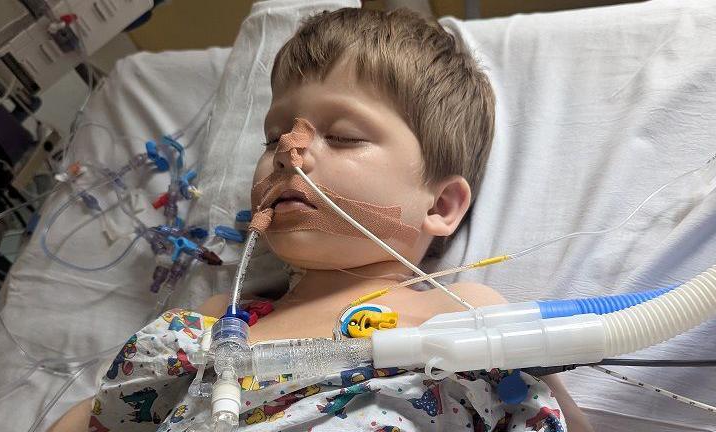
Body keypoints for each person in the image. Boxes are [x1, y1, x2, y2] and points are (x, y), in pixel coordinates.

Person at [50, 7, 593, 432]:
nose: (291, 151)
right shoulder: (223, 321)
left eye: (343, 136)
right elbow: (95, 417)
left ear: (440, 206)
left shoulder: (459, 312)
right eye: (273, 136)